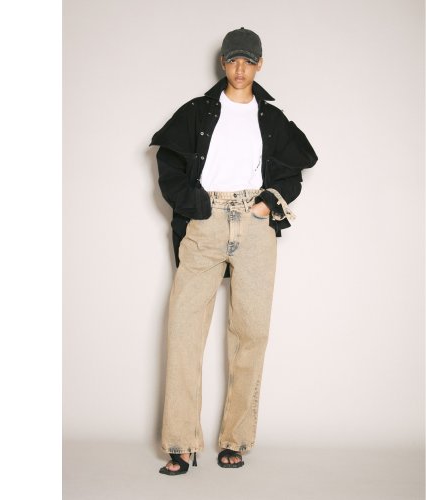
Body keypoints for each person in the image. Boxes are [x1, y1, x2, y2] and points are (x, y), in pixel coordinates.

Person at [149, 27, 318, 475]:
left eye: (248, 60)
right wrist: (197, 205)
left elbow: (293, 172)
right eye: (232, 60)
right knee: (184, 330)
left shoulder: (272, 118)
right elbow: (168, 163)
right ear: (222, 63)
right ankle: (181, 442)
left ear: (259, 64)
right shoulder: (197, 111)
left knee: (250, 333)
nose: (240, 68)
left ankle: (236, 440)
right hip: (205, 222)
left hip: (254, 223)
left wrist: (265, 205)